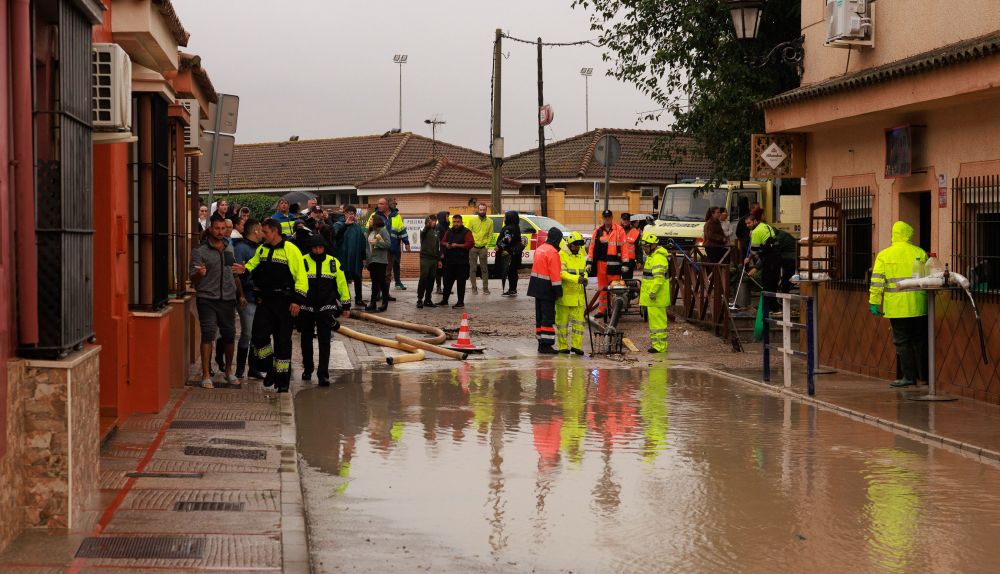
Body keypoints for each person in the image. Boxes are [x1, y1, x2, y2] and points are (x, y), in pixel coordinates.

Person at [233, 218, 309, 393]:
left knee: (283, 342)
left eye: (265, 231)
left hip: (285, 303)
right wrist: (243, 270)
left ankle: (282, 382)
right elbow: (250, 267)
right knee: (259, 337)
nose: (261, 234)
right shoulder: (262, 249)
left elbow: (301, 278)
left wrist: (297, 301)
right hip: (265, 302)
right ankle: (270, 368)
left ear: (275, 231)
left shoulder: (291, 250)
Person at [869, 221, 929, 388]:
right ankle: (924, 376)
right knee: (919, 340)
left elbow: (877, 282)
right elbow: (928, 277)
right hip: (918, 305)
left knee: (902, 341)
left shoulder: (884, 255)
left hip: (896, 307)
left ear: (894, 234)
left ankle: (908, 377)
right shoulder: (919, 252)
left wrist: (874, 302)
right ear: (909, 234)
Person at [191, 215, 243, 388]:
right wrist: (199, 274)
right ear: (211, 229)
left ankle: (228, 371)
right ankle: (206, 374)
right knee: (208, 333)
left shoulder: (230, 248)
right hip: (207, 298)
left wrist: (240, 294)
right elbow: (193, 278)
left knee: (229, 335)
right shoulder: (200, 251)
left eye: (223, 228)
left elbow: (233, 273)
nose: (220, 232)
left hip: (228, 298)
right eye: (217, 228)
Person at [298, 234, 350, 386]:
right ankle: (308, 369)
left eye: (320, 247)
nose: (318, 250)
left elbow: (342, 284)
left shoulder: (333, 262)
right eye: (315, 248)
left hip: (326, 308)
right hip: (306, 307)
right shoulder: (302, 261)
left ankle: (323, 374)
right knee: (305, 340)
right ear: (310, 248)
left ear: (324, 248)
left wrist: (346, 305)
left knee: (325, 341)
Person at [744, 211, 797, 312]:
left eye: (749, 223)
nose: (747, 225)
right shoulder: (766, 226)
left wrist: (753, 264)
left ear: (755, 221)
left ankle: (772, 309)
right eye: (746, 224)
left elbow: (755, 250)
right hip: (776, 259)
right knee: (773, 284)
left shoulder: (756, 232)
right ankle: (773, 307)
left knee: (769, 284)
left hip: (778, 259)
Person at [587, 209, 631, 319]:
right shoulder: (598, 231)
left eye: (609, 217)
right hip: (601, 264)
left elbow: (624, 247)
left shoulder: (619, 230)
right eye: (605, 217)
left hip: (615, 265)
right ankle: (602, 310)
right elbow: (592, 248)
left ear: (612, 218)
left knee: (615, 289)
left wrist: (625, 264)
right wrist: (589, 262)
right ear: (603, 218)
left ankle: (615, 310)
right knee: (602, 289)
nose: (607, 219)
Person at [233, 218, 262, 380]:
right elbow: (236, 274)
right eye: (261, 230)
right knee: (248, 334)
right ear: (255, 230)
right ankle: (240, 369)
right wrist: (241, 295)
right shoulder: (241, 248)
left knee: (256, 335)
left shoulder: (260, 248)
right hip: (247, 297)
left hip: (258, 297)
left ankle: (253, 368)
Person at [527, 227, 564, 354]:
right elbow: (555, 275)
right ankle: (546, 344)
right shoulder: (552, 252)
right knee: (548, 317)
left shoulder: (540, 249)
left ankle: (540, 342)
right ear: (557, 239)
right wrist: (558, 291)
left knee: (540, 316)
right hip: (547, 288)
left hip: (536, 287)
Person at [555, 232, 588, 355]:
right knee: (562, 323)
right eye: (576, 246)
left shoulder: (580, 254)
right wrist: (577, 279)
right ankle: (563, 346)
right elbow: (561, 273)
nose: (578, 248)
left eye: (579, 246)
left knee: (579, 324)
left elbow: (584, 271)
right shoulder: (561, 255)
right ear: (570, 244)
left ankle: (576, 346)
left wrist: (585, 278)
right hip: (564, 296)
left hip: (578, 296)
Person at [639, 232, 670, 353]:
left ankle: (660, 346)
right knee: (655, 323)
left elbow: (658, 278)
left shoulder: (658, 258)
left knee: (658, 324)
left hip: (656, 297)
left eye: (646, 246)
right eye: (644, 247)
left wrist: (652, 292)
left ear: (653, 246)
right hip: (653, 298)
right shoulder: (652, 257)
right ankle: (657, 345)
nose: (645, 249)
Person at [332, 205, 368, 305]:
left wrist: (364, 257)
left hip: (356, 258)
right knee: (343, 280)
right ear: (345, 214)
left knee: (357, 278)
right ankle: (345, 300)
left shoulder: (358, 227)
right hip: (342, 257)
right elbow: (336, 237)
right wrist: (346, 225)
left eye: (353, 213)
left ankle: (359, 299)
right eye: (349, 213)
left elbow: (362, 243)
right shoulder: (338, 225)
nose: (351, 215)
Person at [437, 213, 473, 309]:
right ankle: (445, 301)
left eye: (457, 222)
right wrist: (447, 244)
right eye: (454, 222)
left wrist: (457, 245)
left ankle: (460, 302)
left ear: (461, 222)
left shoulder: (466, 232)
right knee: (447, 282)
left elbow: (470, 244)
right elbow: (442, 241)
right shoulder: (449, 231)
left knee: (461, 283)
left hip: (462, 262)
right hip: (450, 261)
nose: (455, 224)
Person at [365, 215, 391, 312]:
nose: (370, 220)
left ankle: (385, 303)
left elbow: (388, 244)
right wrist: (367, 261)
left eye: (371, 219)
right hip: (372, 260)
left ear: (376, 220)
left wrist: (377, 243)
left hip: (380, 260)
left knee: (381, 281)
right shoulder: (370, 231)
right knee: (374, 283)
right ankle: (373, 303)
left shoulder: (382, 230)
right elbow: (367, 248)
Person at [468, 203, 493, 294]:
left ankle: (485, 288)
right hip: (473, 248)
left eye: (484, 210)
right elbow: (468, 233)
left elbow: (490, 235)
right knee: (473, 269)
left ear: (486, 210)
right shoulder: (472, 220)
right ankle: (474, 288)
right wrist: (470, 245)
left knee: (484, 269)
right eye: (480, 210)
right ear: (478, 210)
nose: (482, 211)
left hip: (483, 248)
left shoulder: (490, 222)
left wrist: (487, 247)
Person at [498, 210, 524, 296]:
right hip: (515, 253)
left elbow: (507, 239)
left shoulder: (510, 228)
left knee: (511, 271)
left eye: (505, 217)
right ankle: (512, 289)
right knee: (513, 271)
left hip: (509, 253)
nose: (504, 219)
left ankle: (512, 290)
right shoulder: (516, 226)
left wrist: (499, 246)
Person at [417, 214, 440, 308]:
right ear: (427, 222)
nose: (433, 222)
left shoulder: (436, 232)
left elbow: (437, 247)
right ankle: (419, 299)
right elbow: (424, 231)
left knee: (431, 279)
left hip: (434, 259)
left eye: (435, 220)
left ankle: (428, 299)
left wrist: (439, 260)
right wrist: (427, 225)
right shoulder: (423, 230)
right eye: (431, 221)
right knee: (423, 278)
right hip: (425, 258)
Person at [621, 212, 641, 279]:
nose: (626, 221)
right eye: (624, 220)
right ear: (621, 220)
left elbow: (638, 248)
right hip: (618, 259)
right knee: (616, 281)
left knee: (627, 281)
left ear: (630, 221)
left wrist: (639, 261)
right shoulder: (617, 230)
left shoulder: (635, 232)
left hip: (630, 261)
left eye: (627, 220)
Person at [434, 210, 450, 294]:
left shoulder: (447, 226)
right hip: (441, 253)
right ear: (442, 217)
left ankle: (446, 288)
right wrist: (441, 254)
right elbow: (438, 241)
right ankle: (438, 288)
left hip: (448, 252)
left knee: (446, 271)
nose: (448, 218)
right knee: (439, 271)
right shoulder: (438, 227)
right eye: (446, 216)